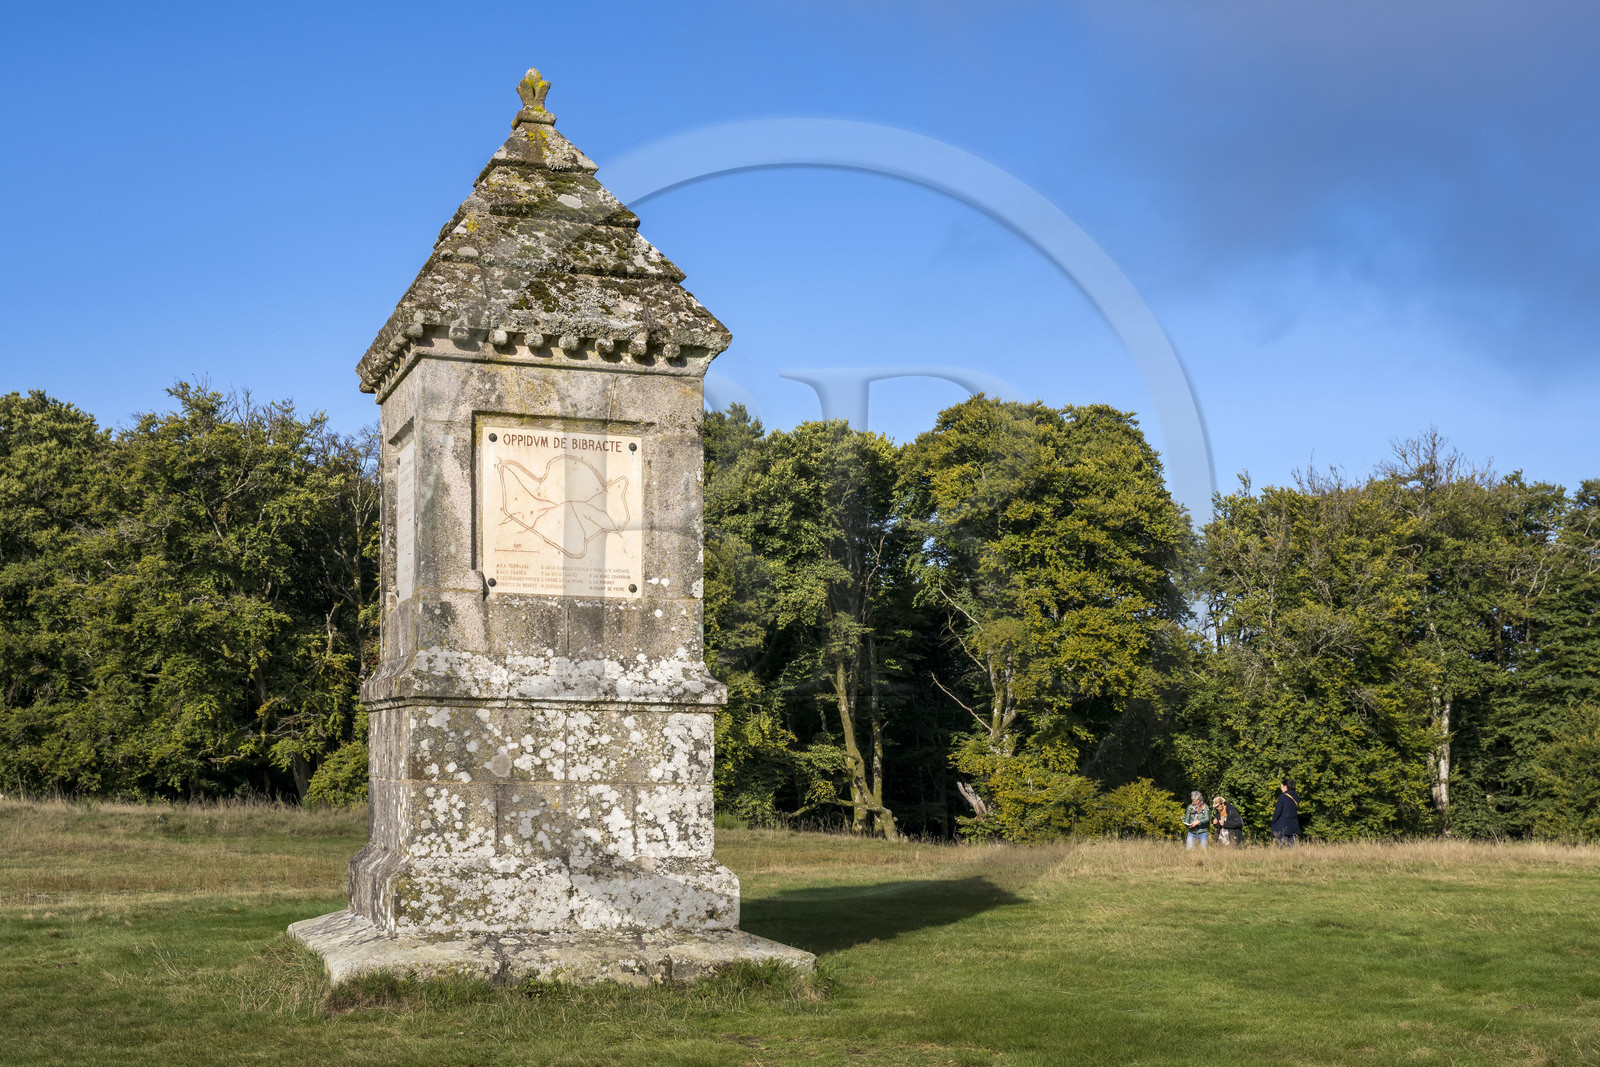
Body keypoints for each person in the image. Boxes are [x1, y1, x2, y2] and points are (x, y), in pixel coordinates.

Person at [1271, 779, 1300, 847]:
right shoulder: (1296, 797)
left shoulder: (1282, 797)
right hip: (1293, 826)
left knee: (1281, 848)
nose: (1281, 788)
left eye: (1282, 786)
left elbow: (1277, 812)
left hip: (1282, 826)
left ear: (1285, 787)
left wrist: (1273, 821)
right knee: (1291, 849)